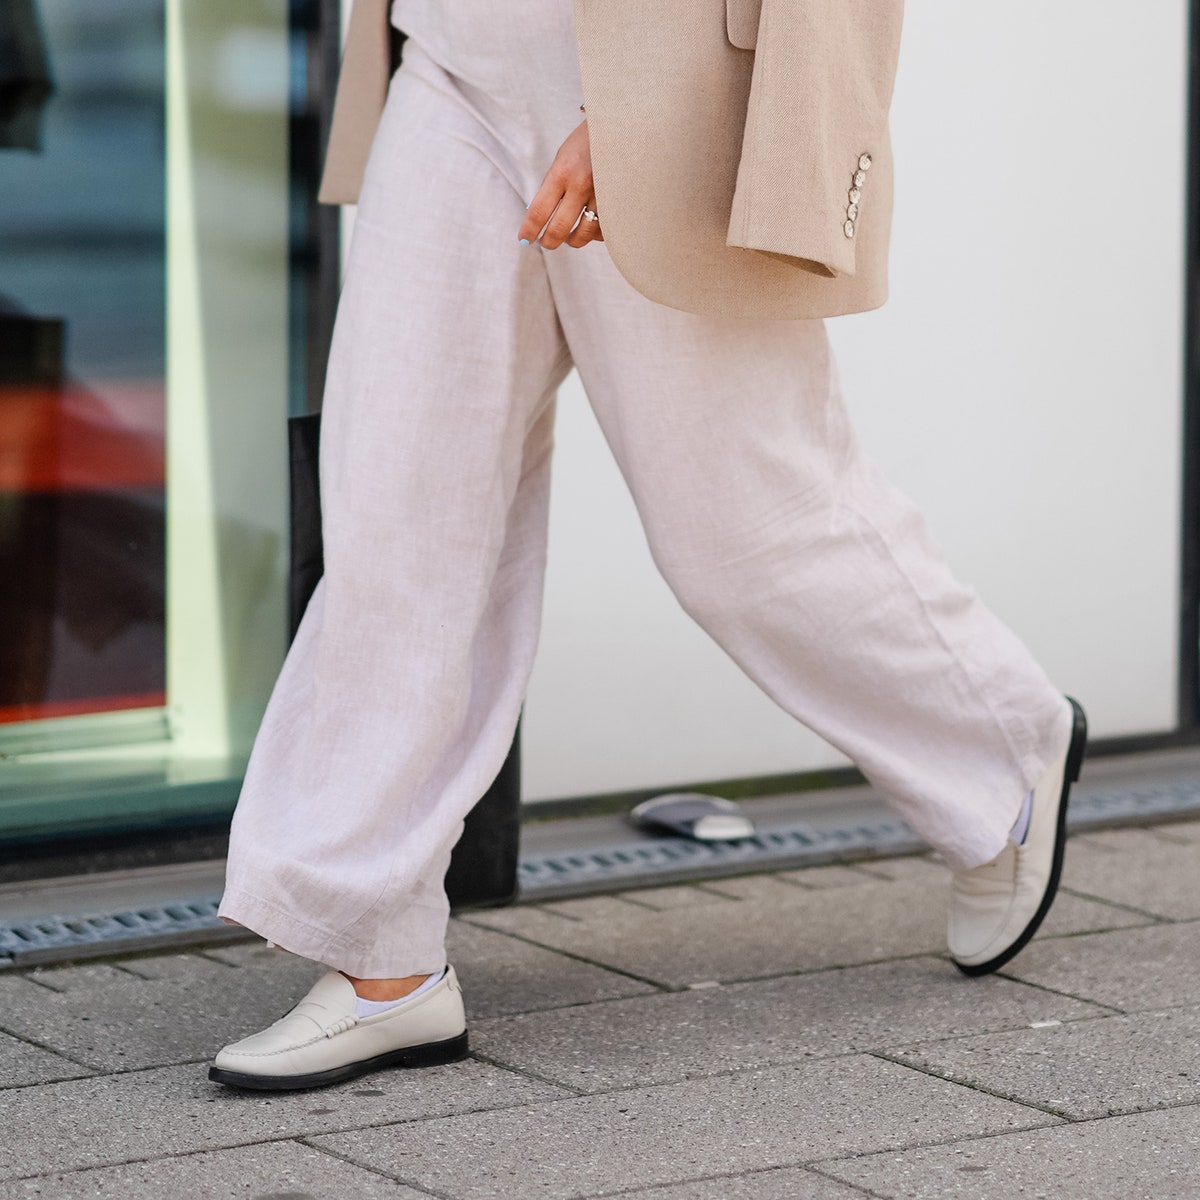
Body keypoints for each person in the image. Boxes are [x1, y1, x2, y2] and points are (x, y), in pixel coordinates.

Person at [208, 0, 1087, 1091]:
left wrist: (654, 116)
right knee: (399, 517)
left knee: (748, 534)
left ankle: (1001, 755)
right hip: (446, 68)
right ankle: (381, 957)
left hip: (649, 72)